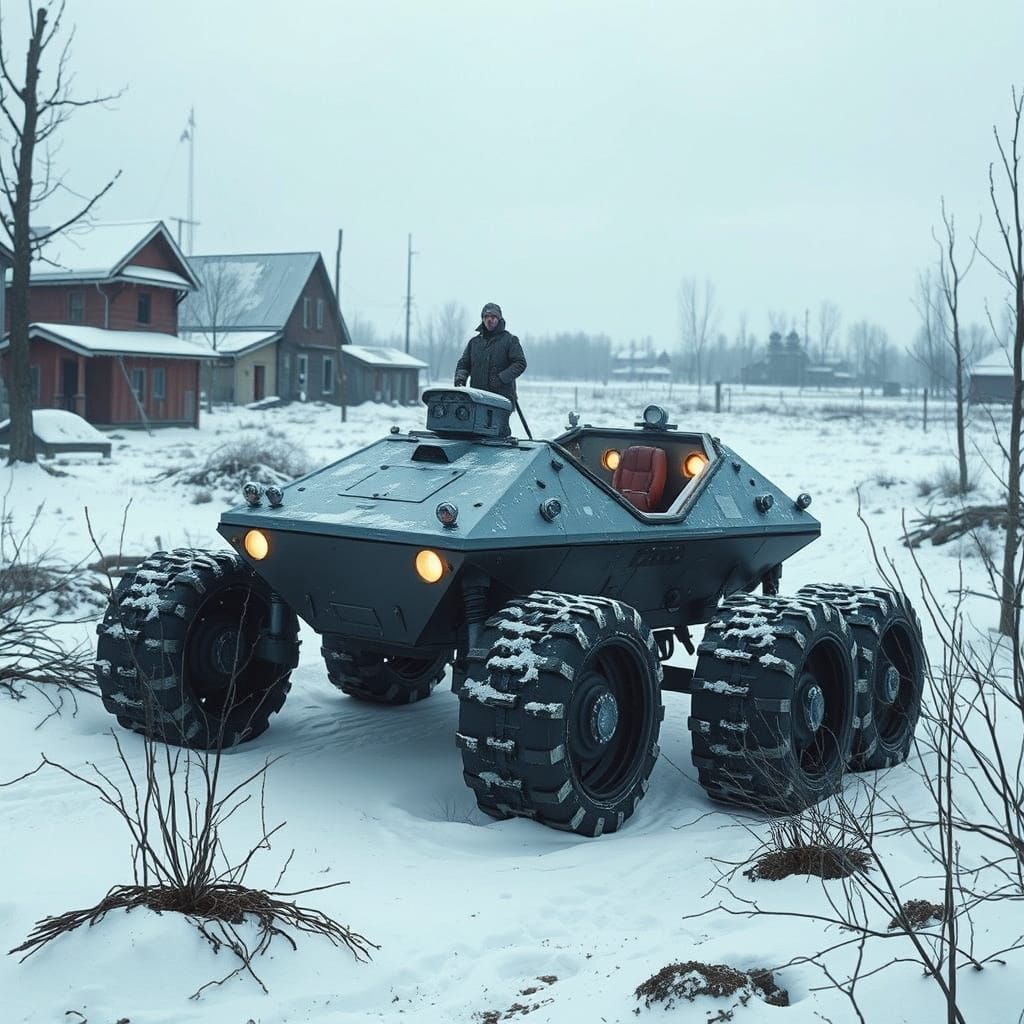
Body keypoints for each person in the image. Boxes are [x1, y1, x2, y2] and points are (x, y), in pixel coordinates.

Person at [453, 302, 527, 406]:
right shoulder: (474, 343)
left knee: (496, 423)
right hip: (477, 397)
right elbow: (464, 364)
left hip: (501, 399)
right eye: (486, 316)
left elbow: (520, 363)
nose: (489, 320)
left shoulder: (510, 340)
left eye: (493, 317)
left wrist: (501, 378)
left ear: (499, 319)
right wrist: (460, 380)